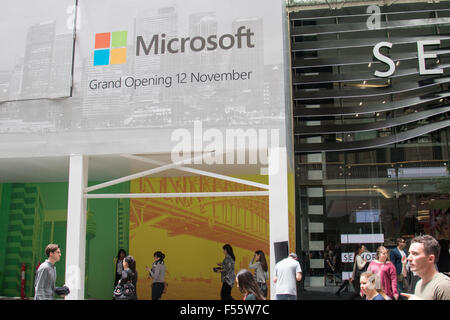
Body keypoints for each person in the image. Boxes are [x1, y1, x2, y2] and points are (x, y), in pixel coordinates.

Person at [401, 235, 450, 300]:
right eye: (409, 253)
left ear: (430, 259)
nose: (409, 258)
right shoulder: (419, 284)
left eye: (415, 254)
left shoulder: (443, 285)